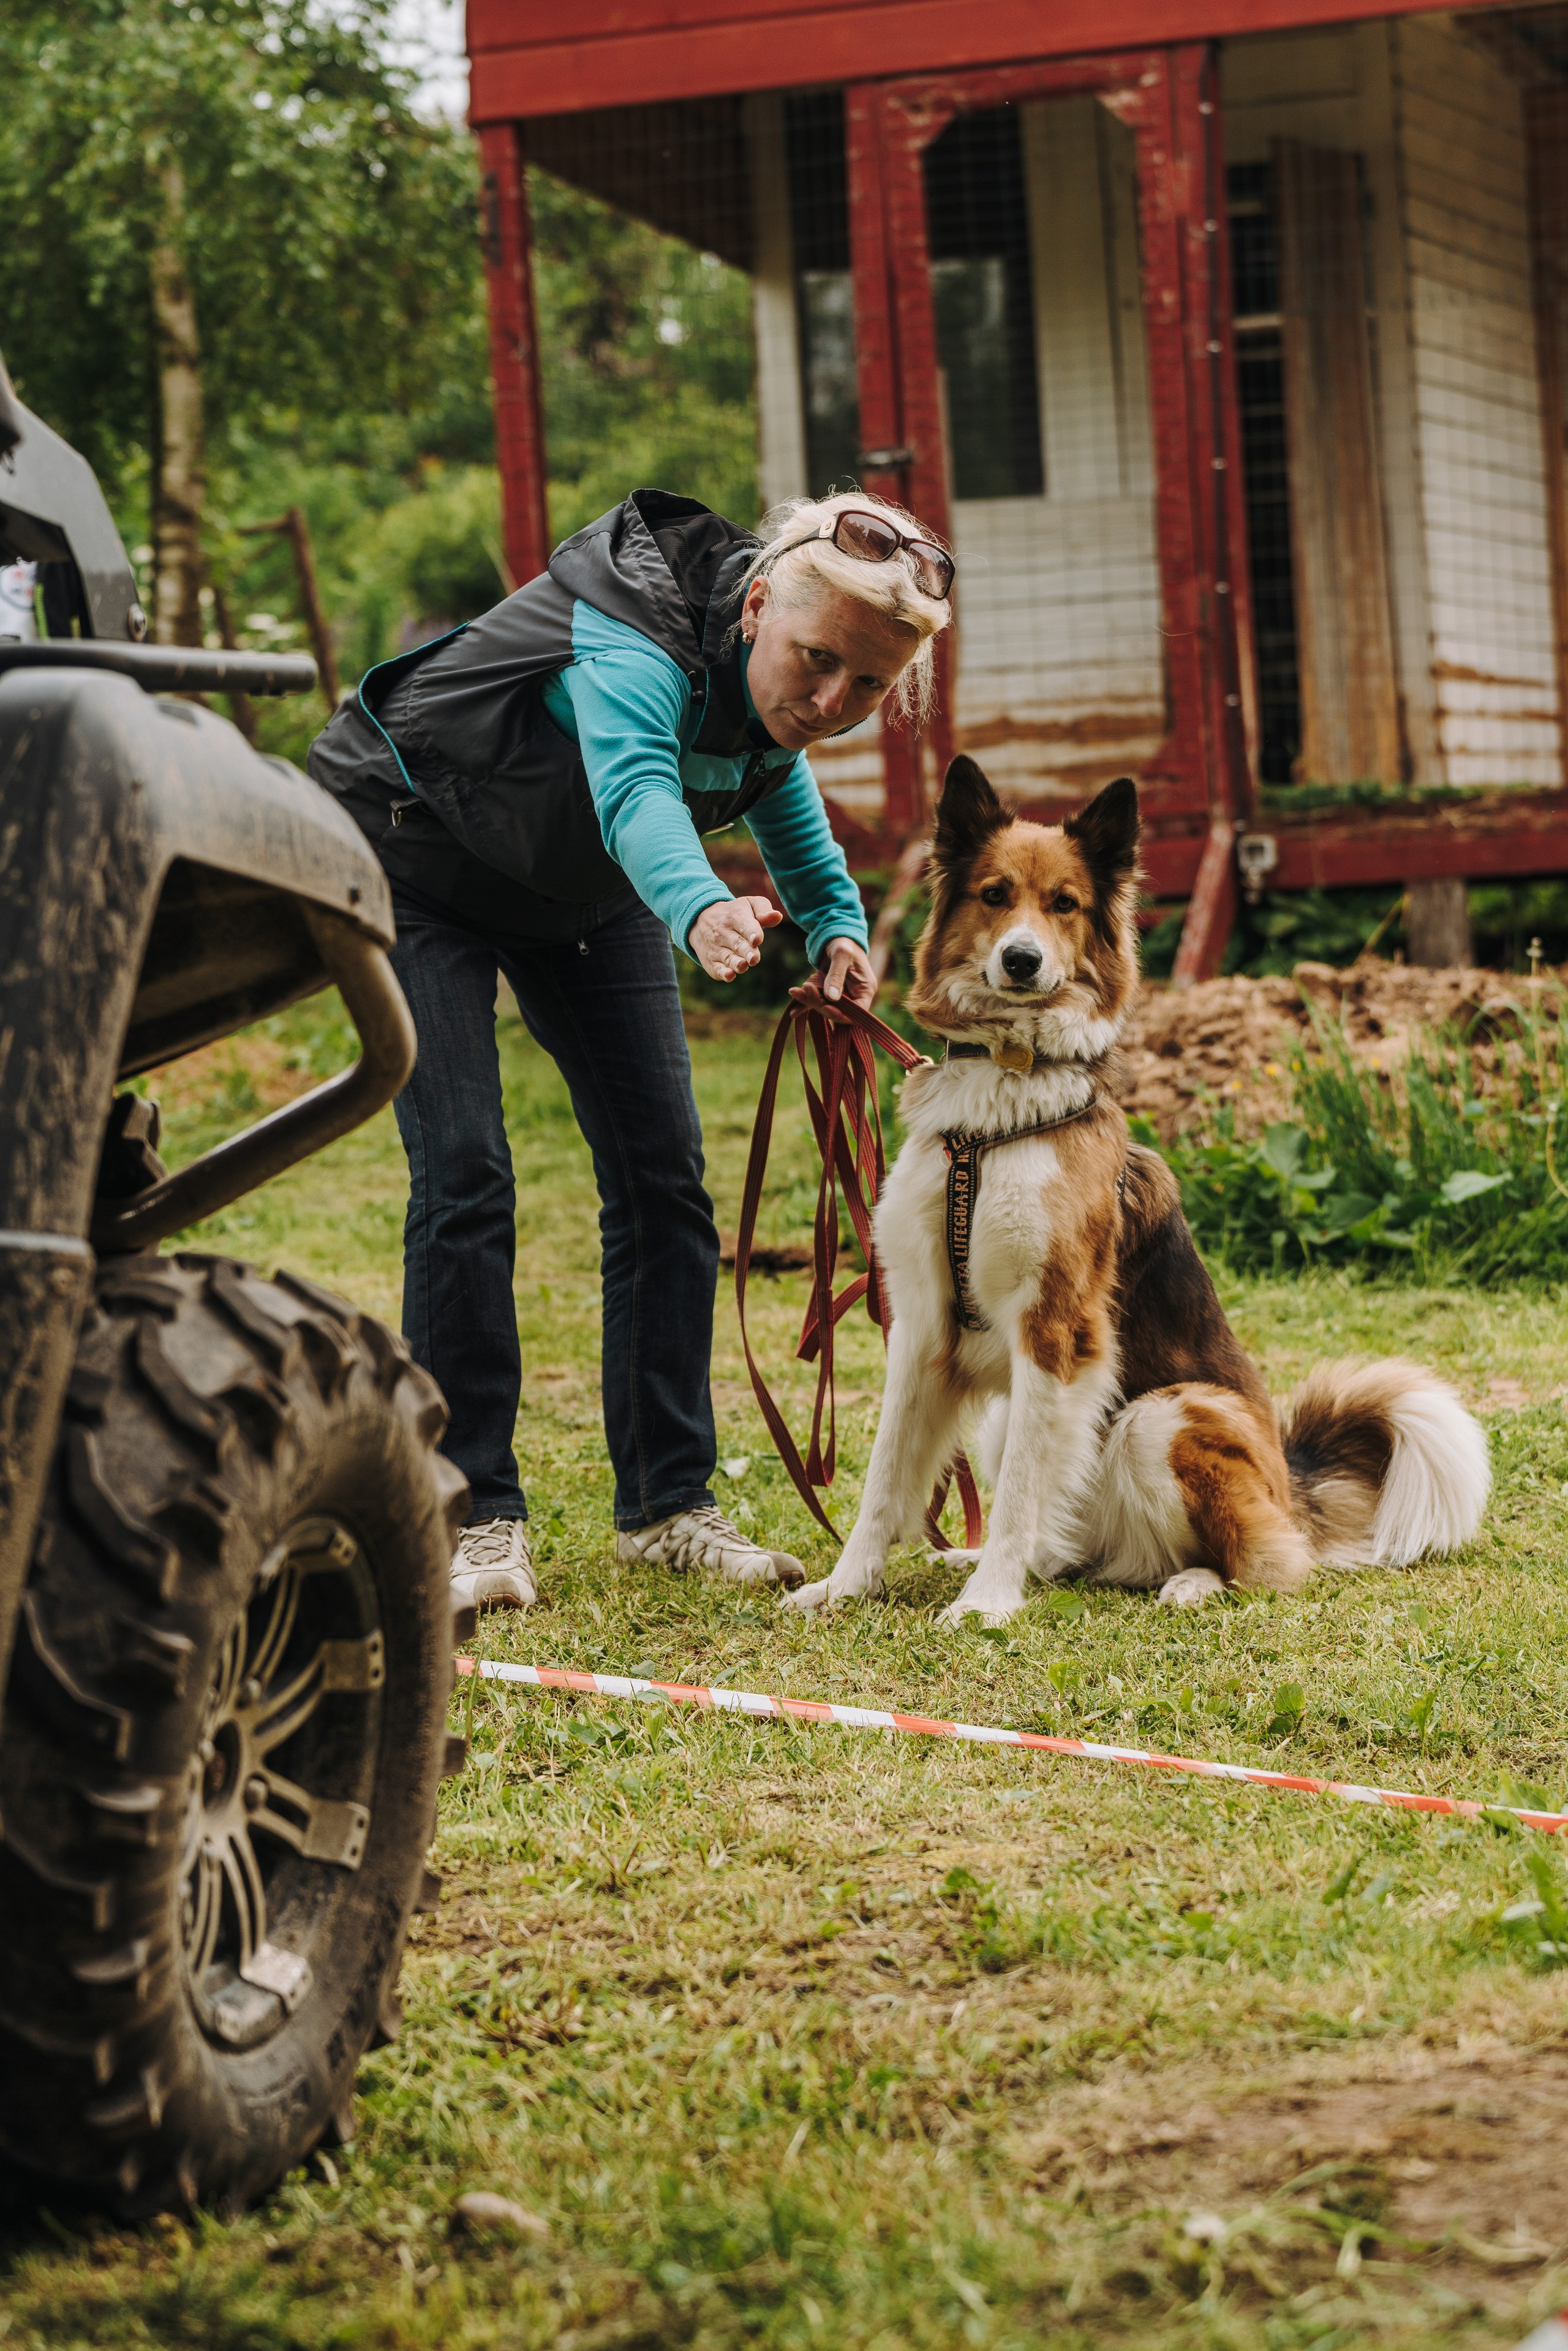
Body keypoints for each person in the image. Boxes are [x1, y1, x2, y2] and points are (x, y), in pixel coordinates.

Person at [308, 488, 954, 1612]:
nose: (832, 697)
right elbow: (640, 786)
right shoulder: (630, 625)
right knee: (465, 1171)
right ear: (755, 605)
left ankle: (666, 1505)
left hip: (577, 876)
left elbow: (774, 777)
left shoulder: (778, 686)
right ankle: (473, 1519)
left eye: (868, 686)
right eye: (816, 661)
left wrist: (836, 917)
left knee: (665, 1179)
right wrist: (701, 904)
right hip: (412, 846)